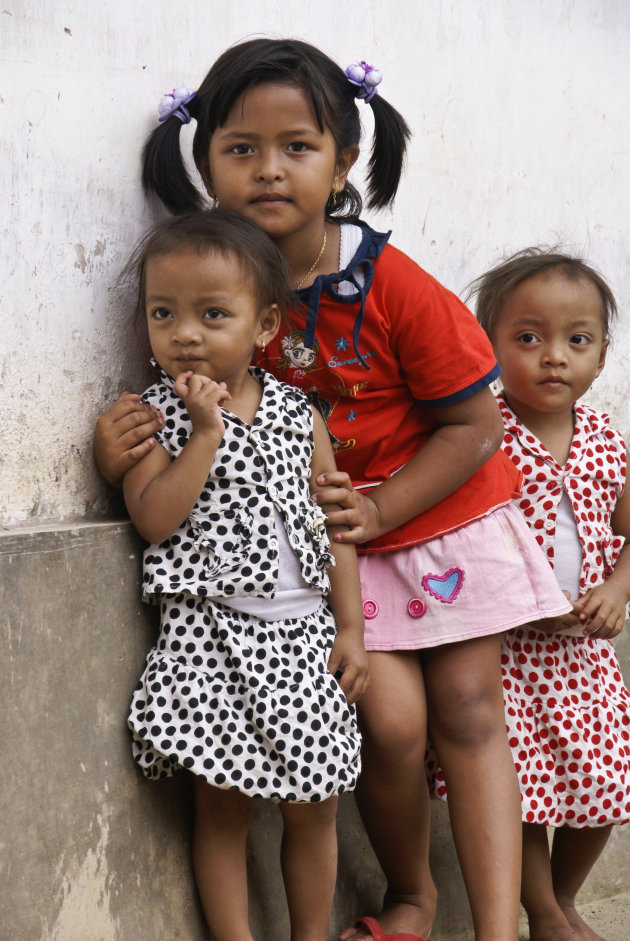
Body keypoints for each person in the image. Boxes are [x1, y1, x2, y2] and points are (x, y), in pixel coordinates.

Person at [94, 39, 572, 941]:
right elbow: (192, 418)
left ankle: (503, 928)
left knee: (468, 709)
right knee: (389, 723)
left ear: (345, 161)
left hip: (433, 513)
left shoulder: (387, 281)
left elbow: (474, 425)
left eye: (298, 146)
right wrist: (121, 446)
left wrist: (387, 506)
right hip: (341, 547)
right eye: (240, 149)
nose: (269, 169)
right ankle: (413, 896)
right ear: (203, 162)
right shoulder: (211, 281)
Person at [121, 208, 369, 941]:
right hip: (214, 641)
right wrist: (205, 434)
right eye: (162, 312)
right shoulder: (149, 418)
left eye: (211, 314)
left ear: (263, 326)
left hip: (303, 640)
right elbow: (155, 518)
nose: (184, 333)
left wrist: (351, 627)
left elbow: (335, 523)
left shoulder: (300, 414)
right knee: (222, 808)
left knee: (315, 803)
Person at [467, 248, 630, 941]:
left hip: (585, 657)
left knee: (605, 787)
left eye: (577, 339)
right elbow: (464, 537)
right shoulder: (483, 437)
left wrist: (618, 587)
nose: (553, 356)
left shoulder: (606, 440)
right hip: (507, 656)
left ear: (600, 356)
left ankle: (563, 897)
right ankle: (544, 914)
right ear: (489, 348)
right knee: (524, 795)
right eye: (528, 337)